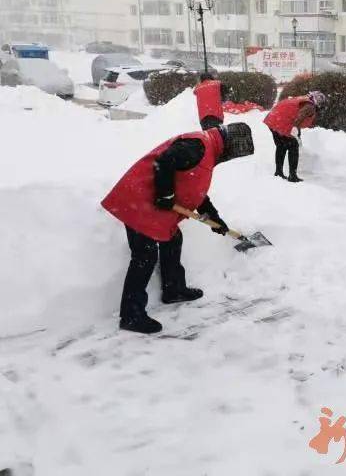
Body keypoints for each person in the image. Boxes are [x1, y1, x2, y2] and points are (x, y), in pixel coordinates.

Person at [101, 123, 255, 334]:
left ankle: (173, 289)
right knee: (144, 255)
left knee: (173, 238)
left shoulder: (206, 148)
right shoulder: (197, 146)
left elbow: (194, 186)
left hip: (149, 201)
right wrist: (165, 194)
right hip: (138, 199)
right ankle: (131, 315)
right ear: (228, 147)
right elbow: (164, 161)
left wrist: (214, 218)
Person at [264, 91, 326, 183]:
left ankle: (279, 172)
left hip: (273, 119)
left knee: (281, 146)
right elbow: (299, 117)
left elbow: (294, 113)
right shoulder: (310, 106)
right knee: (293, 145)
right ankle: (293, 176)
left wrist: (296, 130)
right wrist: (294, 130)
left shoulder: (302, 99)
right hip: (279, 122)